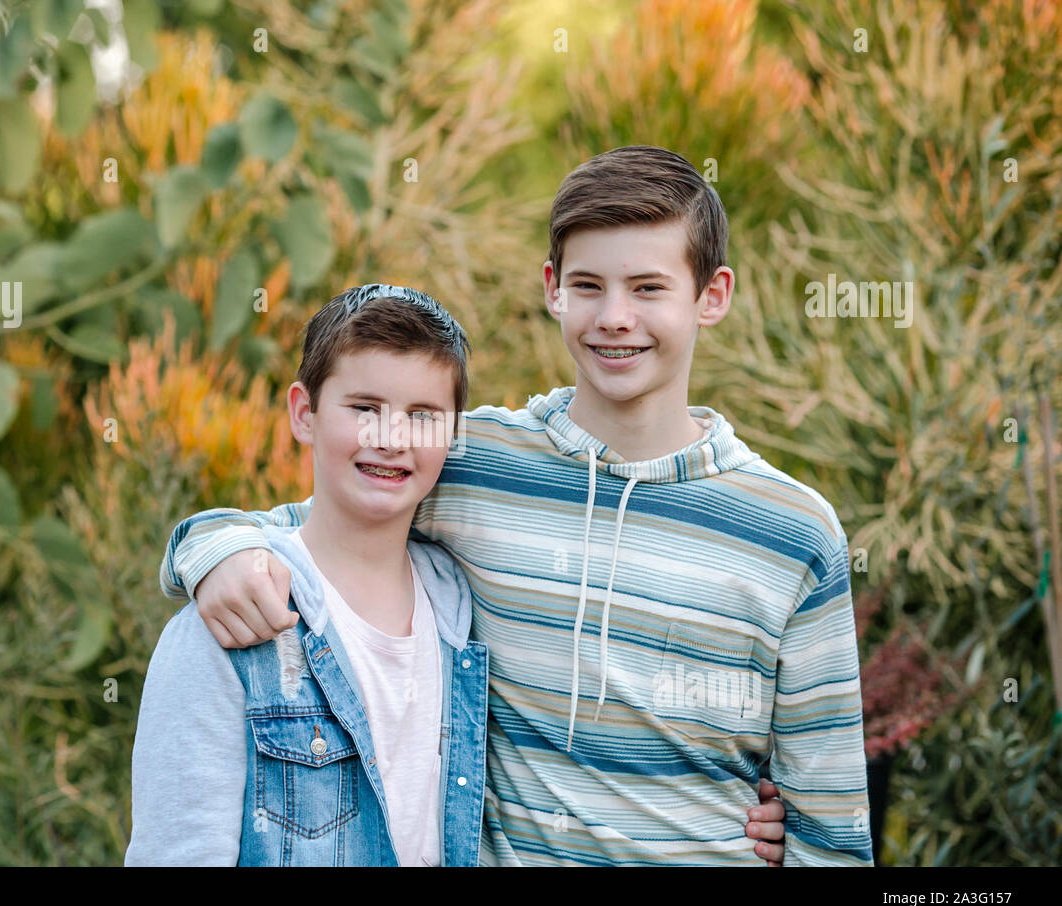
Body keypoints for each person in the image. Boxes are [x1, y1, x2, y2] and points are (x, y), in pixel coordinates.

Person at [160, 147, 843, 865]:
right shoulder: (471, 459)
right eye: (588, 285)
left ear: (713, 295)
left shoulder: (793, 533)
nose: (615, 317)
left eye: (648, 288)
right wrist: (212, 549)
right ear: (552, 289)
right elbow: (325, 521)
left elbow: (828, 829)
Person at [126, 285, 488, 865]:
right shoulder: (232, 621)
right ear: (304, 413)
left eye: (422, 416)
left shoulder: (459, 611)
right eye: (364, 408)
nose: (391, 439)